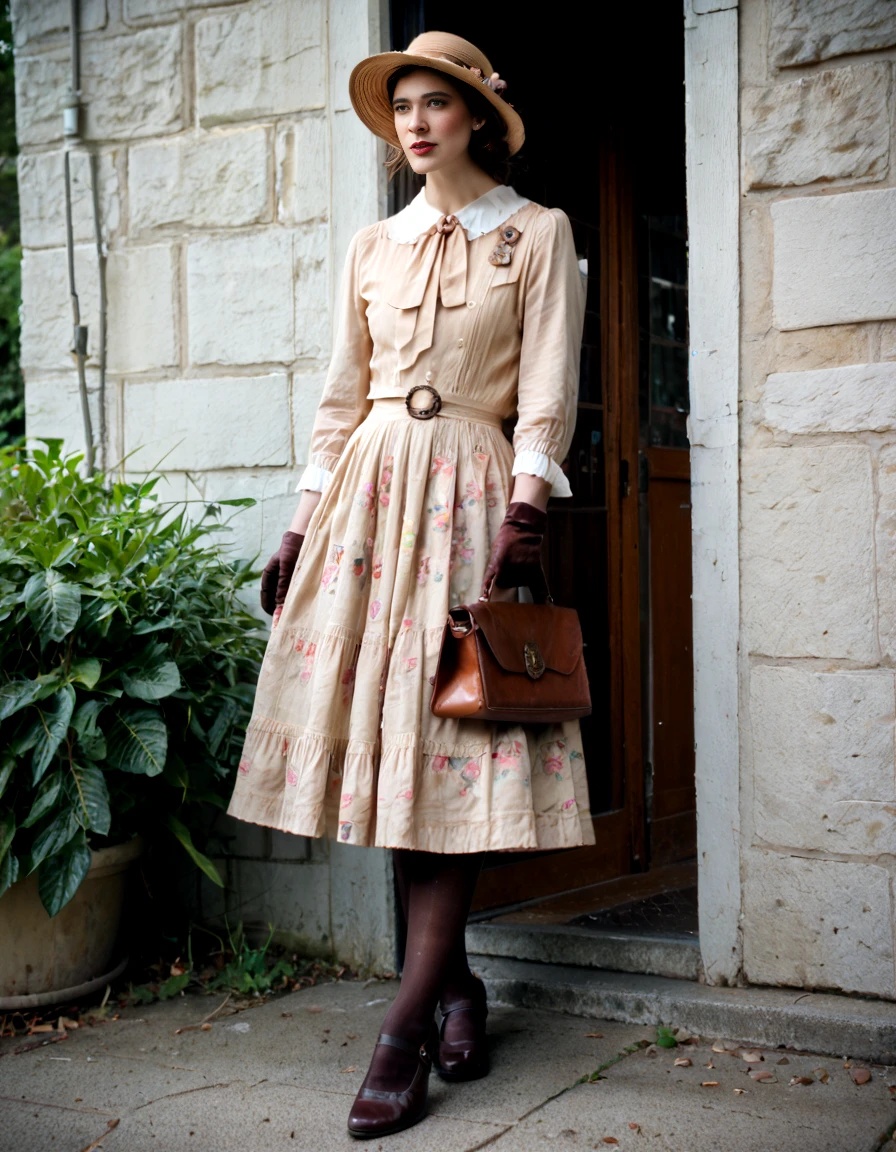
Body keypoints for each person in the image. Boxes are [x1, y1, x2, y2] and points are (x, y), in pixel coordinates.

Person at [226, 30, 594, 1139]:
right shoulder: (370, 247)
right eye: (402, 108)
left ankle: (398, 1030)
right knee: (394, 743)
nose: (416, 123)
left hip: (473, 497)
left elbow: (544, 388)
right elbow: (342, 398)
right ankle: (455, 987)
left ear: (479, 117)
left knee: (450, 739)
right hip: (366, 503)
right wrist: (299, 523)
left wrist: (527, 503)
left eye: (437, 104)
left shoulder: (535, 234)